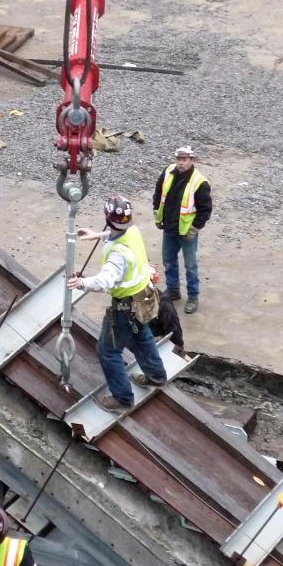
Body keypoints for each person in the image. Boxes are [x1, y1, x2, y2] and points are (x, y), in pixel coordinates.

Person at [68, 194, 167, 410]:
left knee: (108, 351)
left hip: (125, 307)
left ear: (107, 216)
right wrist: (98, 235)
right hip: (143, 299)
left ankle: (122, 399)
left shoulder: (119, 255)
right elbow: (116, 232)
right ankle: (156, 376)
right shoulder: (132, 230)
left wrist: (81, 283)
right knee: (141, 336)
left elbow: (105, 280)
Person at [153, 145, 212, 315]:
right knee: (168, 260)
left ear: (191, 160)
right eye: (178, 159)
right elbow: (158, 194)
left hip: (186, 232)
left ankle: (193, 296)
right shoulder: (168, 172)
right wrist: (157, 212)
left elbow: (205, 209)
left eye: (184, 160)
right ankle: (173, 290)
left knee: (190, 265)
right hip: (170, 228)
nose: (180, 163)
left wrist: (195, 228)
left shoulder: (199, 182)